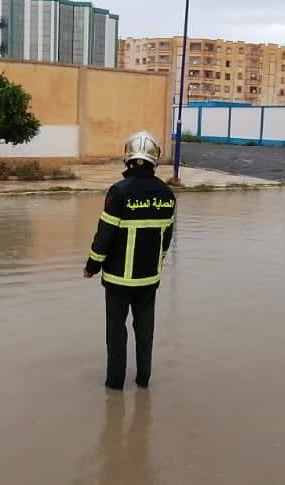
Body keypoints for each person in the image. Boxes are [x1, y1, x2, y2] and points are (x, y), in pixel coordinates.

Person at [84, 131, 176, 390]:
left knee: (116, 334)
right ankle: (143, 381)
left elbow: (105, 235)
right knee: (145, 332)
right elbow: (166, 239)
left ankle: (115, 387)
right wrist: (156, 266)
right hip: (149, 280)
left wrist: (92, 265)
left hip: (117, 280)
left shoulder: (119, 192)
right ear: (154, 160)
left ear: (128, 158)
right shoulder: (167, 195)